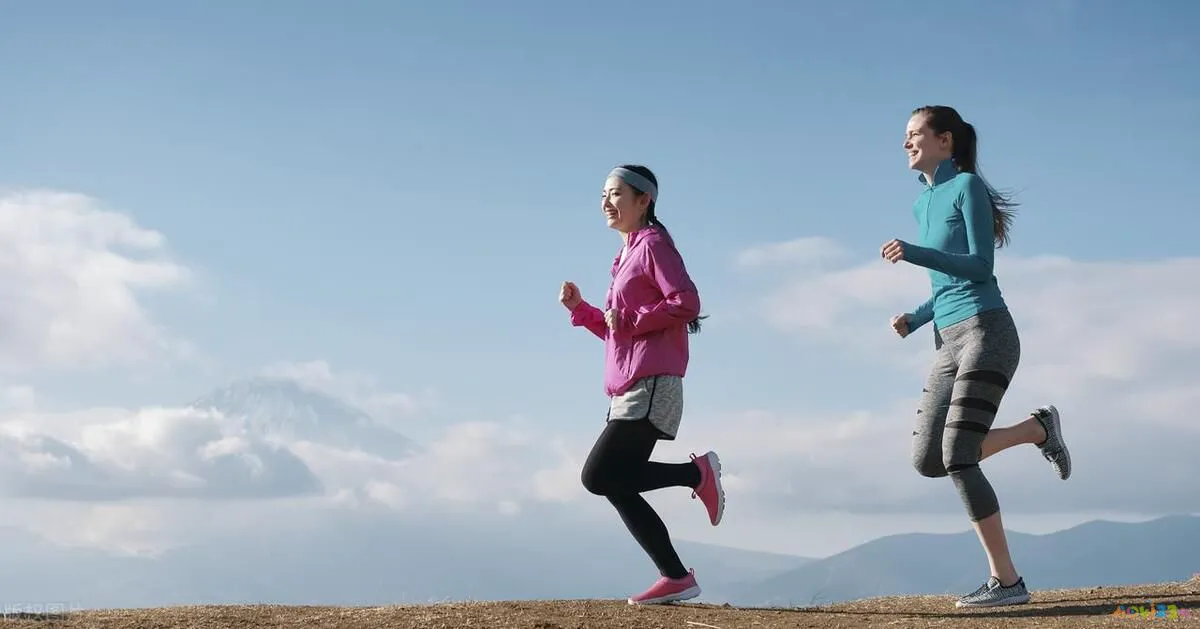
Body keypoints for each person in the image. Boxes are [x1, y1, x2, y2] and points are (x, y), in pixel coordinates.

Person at [882, 105, 1072, 609]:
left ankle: (1007, 581)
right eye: (905, 135)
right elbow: (946, 284)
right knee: (929, 460)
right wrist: (915, 318)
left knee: (959, 456)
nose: (906, 142)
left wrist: (914, 252)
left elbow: (981, 267)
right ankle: (1037, 429)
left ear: (945, 140)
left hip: (988, 332)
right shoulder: (922, 204)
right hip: (947, 339)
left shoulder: (967, 188)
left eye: (914, 133)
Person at [559, 164, 724, 606]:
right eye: (602, 195)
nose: (606, 202)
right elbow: (620, 331)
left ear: (644, 200)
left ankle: (696, 474)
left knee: (598, 475)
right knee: (614, 482)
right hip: (629, 385)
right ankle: (675, 576)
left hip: (651, 383)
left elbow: (686, 302)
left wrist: (632, 318)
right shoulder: (626, 255)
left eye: (615, 193)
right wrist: (582, 310)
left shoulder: (652, 245)